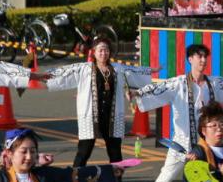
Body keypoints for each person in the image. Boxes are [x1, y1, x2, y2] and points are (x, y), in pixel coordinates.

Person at [135, 44, 223, 182]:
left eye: (205, 57)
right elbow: (153, 91)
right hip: (182, 145)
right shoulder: (177, 84)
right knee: (165, 179)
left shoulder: (214, 83)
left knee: (212, 180)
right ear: (190, 59)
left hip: (206, 146)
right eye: (199, 56)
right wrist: (135, 94)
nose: (203, 60)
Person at [45, 35, 152, 167]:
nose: (103, 53)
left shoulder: (118, 69)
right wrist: (42, 76)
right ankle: (75, 178)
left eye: (106, 50)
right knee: (84, 150)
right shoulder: (84, 69)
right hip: (91, 115)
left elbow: (136, 72)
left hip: (111, 116)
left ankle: (116, 179)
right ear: (94, 52)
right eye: (100, 50)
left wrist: (153, 71)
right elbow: (64, 73)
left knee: (115, 151)